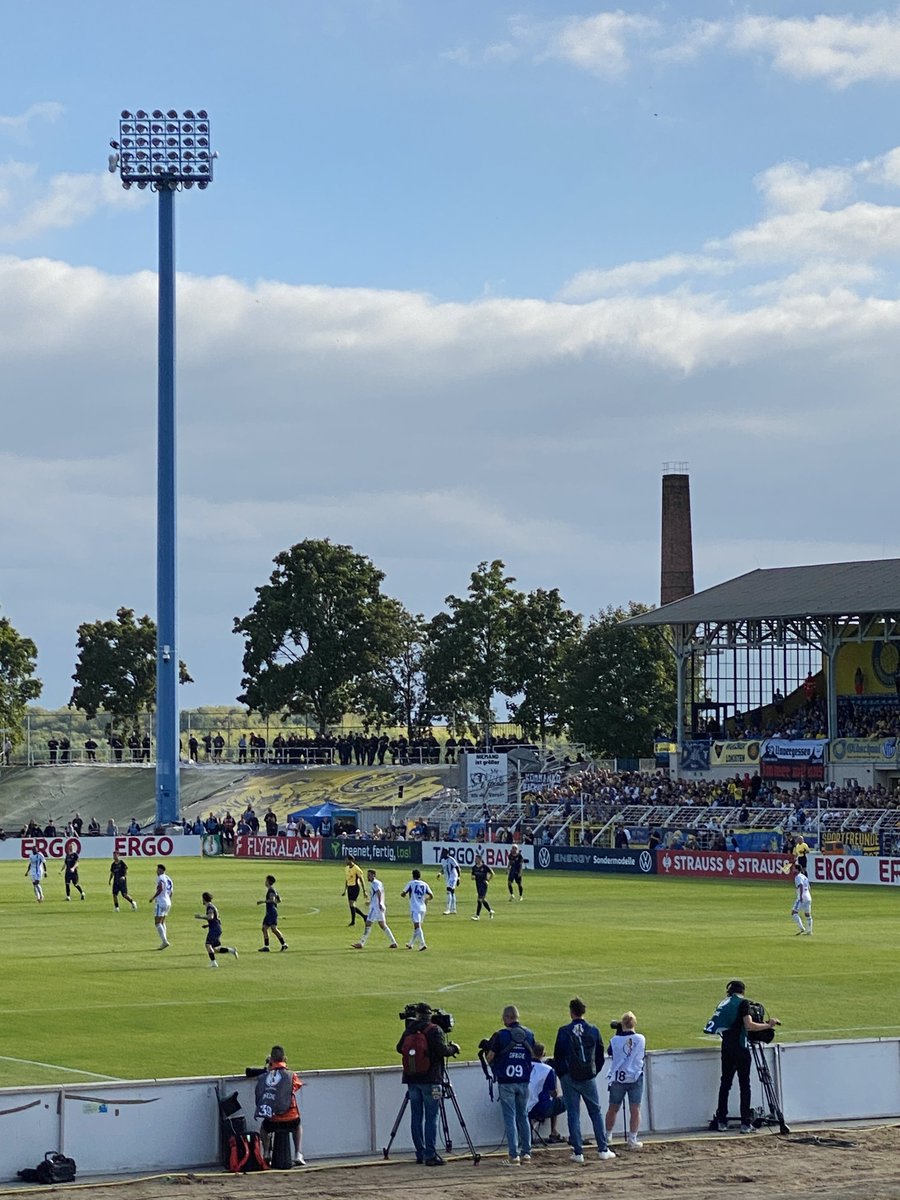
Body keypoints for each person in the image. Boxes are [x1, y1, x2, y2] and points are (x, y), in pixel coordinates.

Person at [705, 979, 778, 1133]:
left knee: (725, 1083)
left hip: (726, 1047)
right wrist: (768, 1025)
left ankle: (722, 1120)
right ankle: (745, 1122)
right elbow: (749, 1025)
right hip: (740, 1046)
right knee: (745, 1084)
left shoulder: (724, 1003)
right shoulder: (743, 1004)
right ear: (743, 991)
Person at [553, 996, 616, 1164]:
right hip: (588, 1076)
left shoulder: (564, 1031)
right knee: (595, 1111)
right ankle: (603, 1149)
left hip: (569, 1077)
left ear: (571, 1012)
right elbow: (600, 1054)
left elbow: (558, 1055)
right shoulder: (593, 1030)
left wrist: (563, 1074)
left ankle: (578, 1152)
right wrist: (593, 1072)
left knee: (573, 1113)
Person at [395, 1002, 459, 1166]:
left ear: (417, 1015)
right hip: (432, 1080)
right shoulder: (434, 1030)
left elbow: (399, 1048)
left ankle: (420, 1153)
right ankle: (430, 1155)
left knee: (416, 1116)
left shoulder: (409, 1029)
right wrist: (453, 1048)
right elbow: (443, 1051)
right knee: (432, 1116)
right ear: (429, 1015)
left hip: (412, 1080)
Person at [486, 1004, 536, 1166]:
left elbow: (490, 1058)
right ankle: (527, 1153)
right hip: (523, 1081)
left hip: (506, 1081)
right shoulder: (529, 1034)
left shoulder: (501, 1035)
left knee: (510, 1118)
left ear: (507, 1018)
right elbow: (532, 1055)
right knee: (523, 1116)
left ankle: (514, 1155)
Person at [254, 1044, 305, 1166]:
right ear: (285, 1059)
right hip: (291, 1118)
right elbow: (297, 1086)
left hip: (272, 1119)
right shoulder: (291, 1075)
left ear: (271, 1059)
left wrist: (268, 1067)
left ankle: (266, 1152)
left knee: (264, 1128)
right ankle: (298, 1153)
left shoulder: (265, 1076)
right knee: (297, 1126)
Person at [605, 1012, 646, 1150]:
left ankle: (607, 1136)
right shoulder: (641, 1038)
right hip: (635, 1077)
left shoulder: (615, 1039)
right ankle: (632, 1138)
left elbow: (610, 1052)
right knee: (635, 1109)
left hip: (618, 1078)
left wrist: (619, 1033)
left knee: (613, 1108)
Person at [526, 1042, 565, 1142]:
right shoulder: (548, 1070)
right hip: (542, 1108)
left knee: (552, 1100)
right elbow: (554, 1093)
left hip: (524, 1107)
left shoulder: (524, 1067)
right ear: (543, 1054)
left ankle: (535, 1127)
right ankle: (554, 1132)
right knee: (570, 1100)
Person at [351, 869, 398, 950]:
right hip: (374, 906)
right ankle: (361, 943)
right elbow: (376, 894)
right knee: (369, 923)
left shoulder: (376, 883)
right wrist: (370, 902)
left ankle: (394, 942)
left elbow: (379, 892)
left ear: (373, 875)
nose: (367, 877)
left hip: (377, 907)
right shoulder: (376, 883)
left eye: (369, 875)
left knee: (382, 925)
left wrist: (380, 903)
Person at [194, 892, 238, 966]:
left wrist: (200, 916)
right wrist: (208, 925)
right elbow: (215, 919)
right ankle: (231, 950)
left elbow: (210, 917)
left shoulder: (210, 907)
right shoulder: (212, 906)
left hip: (214, 929)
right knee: (214, 949)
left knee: (208, 945)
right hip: (216, 928)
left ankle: (213, 963)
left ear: (204, 899)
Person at [401, 869, 433, 951]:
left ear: (413, 875)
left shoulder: (411, 883)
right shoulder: (424, 884)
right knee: (417, 927)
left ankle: (422, 944)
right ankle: (410, 944)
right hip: (423, 908)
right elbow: (431, 895)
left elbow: (403, 893)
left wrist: (404, 894)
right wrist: (426, 899)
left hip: (415, 908)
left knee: (417, 926)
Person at [257, 875, 288, 951]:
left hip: (271, 912)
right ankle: (268, 946)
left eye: (266, 880)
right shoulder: (273, 890)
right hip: (271, 911)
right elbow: (279, 900)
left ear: (268, 881)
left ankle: (282, 944)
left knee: (273, 929)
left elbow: (272, 899)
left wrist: (263, 902)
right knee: (265, 928)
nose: (265, 882)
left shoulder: (271, 890)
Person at [150, 863, 173, 949]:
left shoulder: (161, 878)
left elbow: (161, 888)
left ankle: (164, 941)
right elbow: (171, 892)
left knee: (157, 922)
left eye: (157, 869)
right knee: (162, 922)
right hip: (168, 902)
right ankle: (165, 940)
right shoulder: (169, 879)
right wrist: (168, 900)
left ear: (160, 870)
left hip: (161, 902)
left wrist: (153, 897)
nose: (156, 871)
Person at [342, 855, 368, 927]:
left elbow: (361, 879)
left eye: (347, 860)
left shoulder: (356, 868)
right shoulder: (346, 868)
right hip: (350, 887)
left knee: (352, 904)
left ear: (351, 860)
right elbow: (347, 879)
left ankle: (354, 921)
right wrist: (345, 890)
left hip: (355, 887)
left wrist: (364, 891)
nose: (345, 861)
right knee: (351, 905)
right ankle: (364, 917)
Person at [470, 853, 494, 920]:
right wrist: (473, 877)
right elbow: (472, 876)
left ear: (480, 859)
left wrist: (488, 880)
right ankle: (490, 911)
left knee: (479, 900)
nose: (475, 860)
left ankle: (477, 916)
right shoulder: (474, 868)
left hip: (484, 885)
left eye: (477, 859)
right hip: (478, 885)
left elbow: (492, 873)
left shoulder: (485, 867)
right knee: (482, 900)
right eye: (475, 859)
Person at [437, 848, 460, 914]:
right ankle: (454, 909)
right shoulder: (443, 860)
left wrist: (458, 878)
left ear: (446, 853)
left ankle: (448, 909)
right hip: (448, 878)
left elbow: (457, 867)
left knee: (448, 891)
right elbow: (443, 868)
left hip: (453, 877)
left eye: (443, 853)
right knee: (452, 892)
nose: (442, 855)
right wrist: (440, 873)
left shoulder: (451, 859)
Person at [791, 864, 813, 935]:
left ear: (797, 870)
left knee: (794, 912)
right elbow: (809, 887)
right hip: (808, 897)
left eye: (794, 869)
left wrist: (800, 896)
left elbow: (800, 885)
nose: (792, 870)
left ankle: (802, 928)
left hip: (802, 897)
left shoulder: (797, 877)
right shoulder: (804, 876)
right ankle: (809, 931)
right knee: (807, 914)